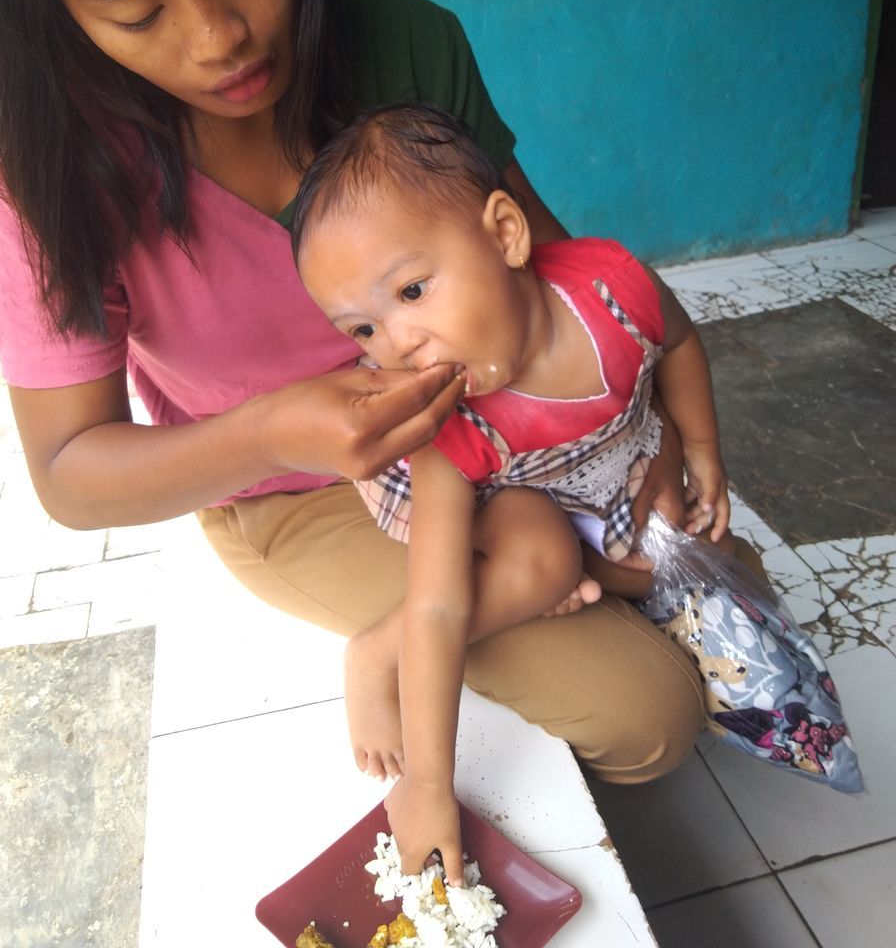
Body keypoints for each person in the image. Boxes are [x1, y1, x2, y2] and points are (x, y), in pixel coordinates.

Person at [0, 0, 731, 875]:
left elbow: (558, 274)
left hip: (491, 425)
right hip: (287, 485)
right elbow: (72, 471)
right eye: (133, 11)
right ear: (48, 4)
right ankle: (407, 652)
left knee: (700, 584)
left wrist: (643, 434)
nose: (216, 39)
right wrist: (280, 428)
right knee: (652, 710)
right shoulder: (46, 178)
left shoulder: (404, 40)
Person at [291, 103, 734, 882]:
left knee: (690, 564)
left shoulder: (610, 289)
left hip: (584, 462)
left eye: (414, 291)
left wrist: (700, 448)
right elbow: (439, 600)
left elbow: (679, 338)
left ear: (505, 233)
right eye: (361, 331)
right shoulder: (444, 426)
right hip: (489, 489)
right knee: (545, 563)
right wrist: (427, 784)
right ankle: (372, 654)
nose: (396, 345)